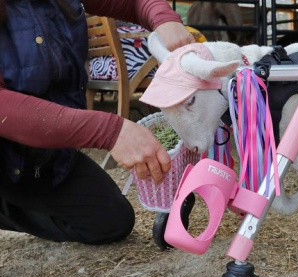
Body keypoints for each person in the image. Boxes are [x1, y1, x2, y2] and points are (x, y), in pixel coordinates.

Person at [0, 0, 194, 244]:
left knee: (110, 221)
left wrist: (165, 20)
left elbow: (134, 4)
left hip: (41, 155)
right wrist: (110, 132)